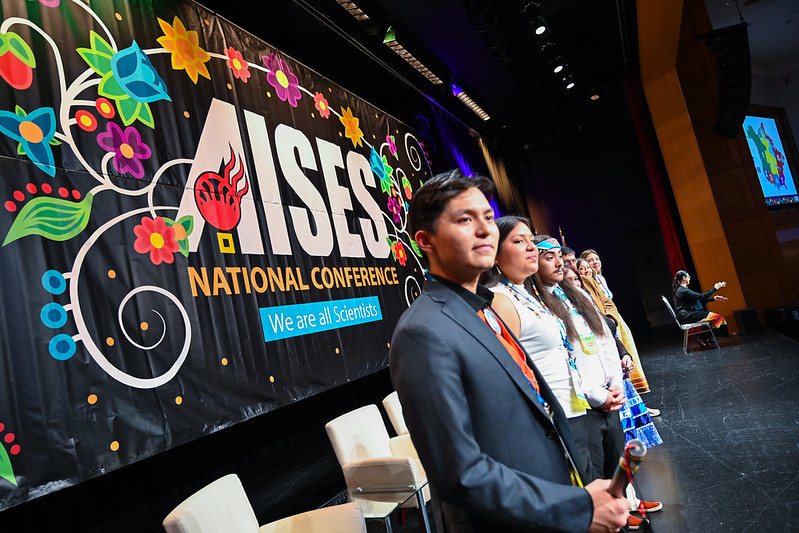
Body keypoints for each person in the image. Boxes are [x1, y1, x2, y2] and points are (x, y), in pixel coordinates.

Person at [389, 170, 629, 533]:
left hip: (543, 496)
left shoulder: (483, 308)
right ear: (426, 241)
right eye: (465, 220)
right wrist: (574, 508)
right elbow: (460, 473)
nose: (485, 230)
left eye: (488, 218)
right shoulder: (422, 331)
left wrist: (574, 486)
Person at [481, 217, 592, 481]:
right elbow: (507, 372)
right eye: (519, 241)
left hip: (571, 405)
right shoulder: (500, 300)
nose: (532, 247)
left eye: (531, 240)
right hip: (549, 416)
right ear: (495, 255)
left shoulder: (524, 293)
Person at [578, 250, 651, 395]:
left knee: (626, 355)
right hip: (602, 323)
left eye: (596, 259)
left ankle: (633, 392)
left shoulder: (599, 279)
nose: (593, 263)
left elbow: (608, 302)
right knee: (615, 359)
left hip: (613, 319)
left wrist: (611, 317)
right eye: (589, 261)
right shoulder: (584, 283)